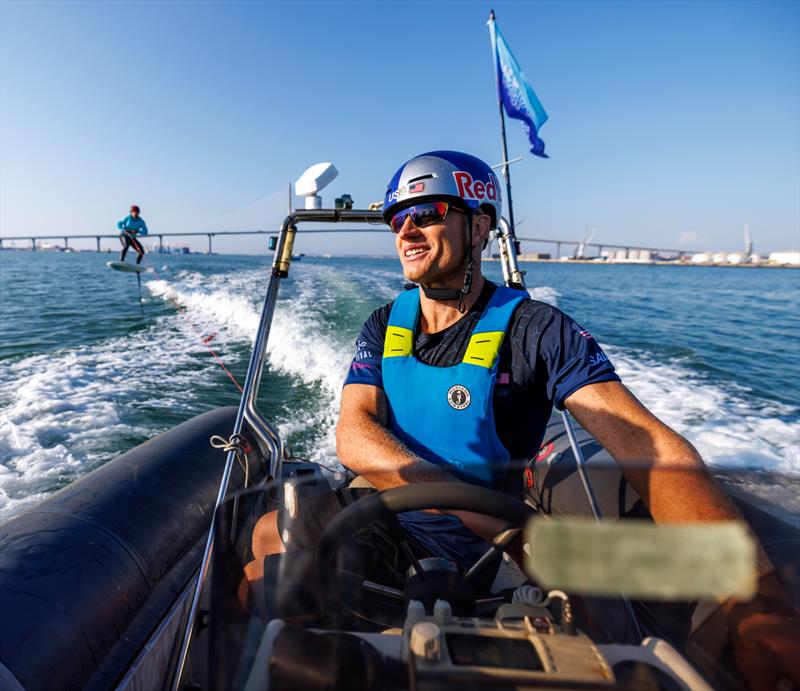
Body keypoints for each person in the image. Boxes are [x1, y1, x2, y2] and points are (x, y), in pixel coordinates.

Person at [246, 151, 798, 687]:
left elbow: (647, 444)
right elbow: (355, 434)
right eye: (397, 219)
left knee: (587, 619)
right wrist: (479, 515)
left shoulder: (537, 330)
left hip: (499, 543)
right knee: (273, 537)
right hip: (424, 518)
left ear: (480, 226)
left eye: (428, 214)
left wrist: (756, 602)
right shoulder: (383, 323)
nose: (407, 231)